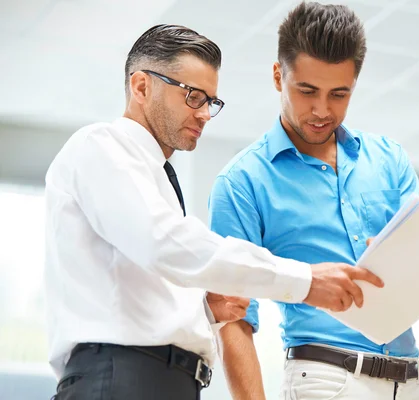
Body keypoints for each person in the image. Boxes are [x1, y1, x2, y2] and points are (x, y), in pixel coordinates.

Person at [44, 24, 384, 400]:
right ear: (141, 87)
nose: (205, 113)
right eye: (192, 97)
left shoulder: (154, 177)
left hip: (165, 380)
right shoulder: (101, 146)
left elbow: (138, 283)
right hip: (120, 379)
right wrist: (304, 281)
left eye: (211, 101)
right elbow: (165, 244)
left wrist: (203, 309)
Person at [208, 3, 419, 399]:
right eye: (307, 91)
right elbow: (233, 319)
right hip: (328, 380)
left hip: (413, 380)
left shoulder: (389, 158)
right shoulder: (242, 182)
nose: (321, 111)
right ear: (279, 76)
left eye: (339, 94)